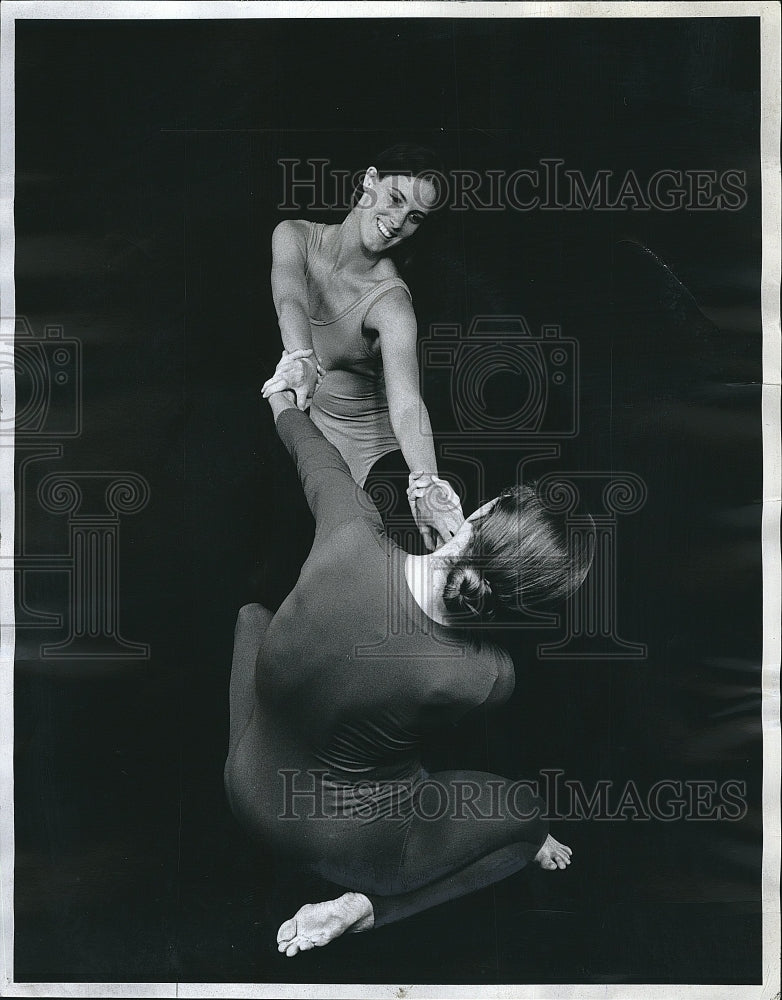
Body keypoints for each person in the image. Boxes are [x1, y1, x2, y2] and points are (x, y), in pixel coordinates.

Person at [223, 385, 595, 956]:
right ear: (527, 604)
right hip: (335, 839)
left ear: (482, 510)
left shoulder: (349, 528)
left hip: (245, 782)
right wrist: (463, 564)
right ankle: (370, 907)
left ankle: (356, 890)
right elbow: (445, 630)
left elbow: (311, 451)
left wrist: (282, 398)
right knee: (524, 820)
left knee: (253, 618)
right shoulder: (487, 677)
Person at [261, 143, 463, 552]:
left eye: (414, 218)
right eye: (394, 199)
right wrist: (302, 358)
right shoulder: (294, 236)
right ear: (369, 181)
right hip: (315, 441)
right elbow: (291, 301)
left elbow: (407, 403)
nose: (397, 222)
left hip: (373, 459)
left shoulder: (392, 304)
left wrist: (427, 483)